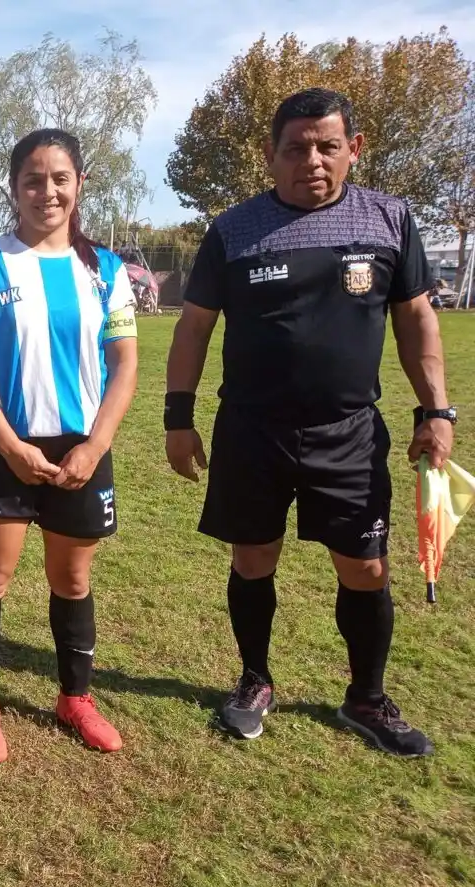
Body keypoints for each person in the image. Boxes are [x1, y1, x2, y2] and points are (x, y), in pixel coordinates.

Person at [165, 88, 454, 757]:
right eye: (295, 149)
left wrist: (435, 410)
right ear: (271, 155)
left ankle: (367, 699)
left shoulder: (389, 219)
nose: (312, 161)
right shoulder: (233, 230)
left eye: (328, 146)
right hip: (251, 430)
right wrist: (179, 418)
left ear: (354, 149)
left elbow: (415, 321)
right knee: (253, 557)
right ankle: (254, 680)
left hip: (348, 432)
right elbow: (194, 328)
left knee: (366, 569)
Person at [0, 128, 139, 761]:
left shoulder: (106, 268)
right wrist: (9, 446)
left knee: (72, 578)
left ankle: (75, 696)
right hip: (5, 447)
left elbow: (126, 362)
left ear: (80, 184)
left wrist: (96, 444)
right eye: (33, 179)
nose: (47, 191)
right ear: (14, 187)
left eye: (60, 178)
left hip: (83, 445)